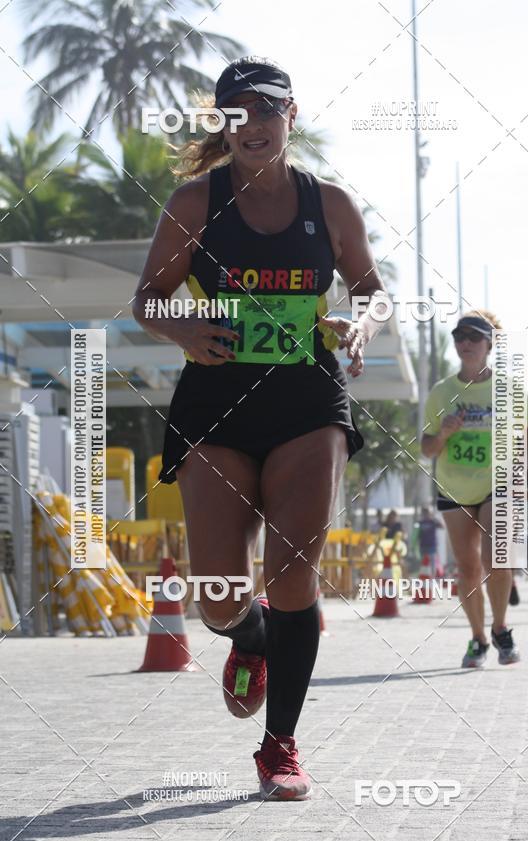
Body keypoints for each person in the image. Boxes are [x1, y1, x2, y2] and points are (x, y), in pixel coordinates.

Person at [133, 57, 388, 800]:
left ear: (292, 114)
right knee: (217, 592)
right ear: (222, 123)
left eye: (267, 110)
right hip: (217, 402)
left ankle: (280, 746)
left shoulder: (329, 203)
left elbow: (373, 289)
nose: (253, 125)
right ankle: (248, 636)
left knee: (293, 575)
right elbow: (149, 297)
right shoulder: (193, 201)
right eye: (236, 112)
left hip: (308, 400)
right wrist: (184, 329)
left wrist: (365, 323)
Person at [421, 310, 528, 668]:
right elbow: (426, 449)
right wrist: (444, 433)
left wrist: (520, 469)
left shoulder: (509, 389)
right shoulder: (442, 392)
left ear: (489, 344)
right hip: (454, 486)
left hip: (496, 482)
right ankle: (478, 638)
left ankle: (501, 629)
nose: (465, 343)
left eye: (473, 337)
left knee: (497, 561)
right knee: (467, 567)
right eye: (459, 336)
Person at [415, 505, 443, 573]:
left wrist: (435, 519)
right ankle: (424, 575)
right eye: (424, 513)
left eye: (427, 513)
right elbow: (416, 533)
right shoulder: (420, 522)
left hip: (432, 545)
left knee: (432, 562)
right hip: (423, 545)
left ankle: (432, 576)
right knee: (423, 562)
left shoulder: (433, 521)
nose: (425, 514)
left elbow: (442, 526)